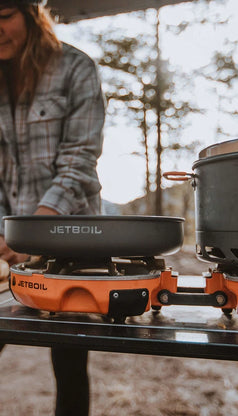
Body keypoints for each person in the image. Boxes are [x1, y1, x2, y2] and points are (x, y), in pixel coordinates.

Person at [0, 0, 105, 415]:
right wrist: (7, 236)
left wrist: (36, 233)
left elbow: (79, 162)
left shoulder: (76, 69)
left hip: (70, 238)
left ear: (30, 12)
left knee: (69, 356)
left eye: (3, 16)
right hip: (11, 242)